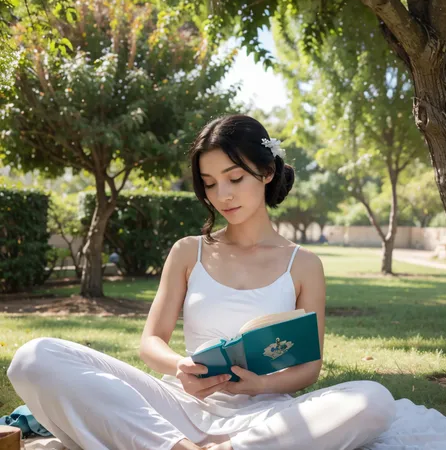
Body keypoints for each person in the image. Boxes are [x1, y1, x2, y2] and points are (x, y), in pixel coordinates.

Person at [6, 115, 404, 450]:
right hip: (177, 404)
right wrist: (180, 364)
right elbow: (150, 342)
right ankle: (176, 447)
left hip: (265, 415)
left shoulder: (304, 264)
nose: (222, 195)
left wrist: (256, 385)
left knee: (374, 401)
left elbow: (310, 368)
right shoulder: (187, 251)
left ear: (266, 172)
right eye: (210, 183)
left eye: (234, 178)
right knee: (34, 357)